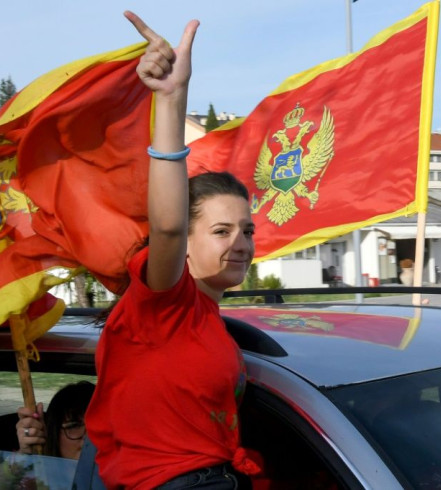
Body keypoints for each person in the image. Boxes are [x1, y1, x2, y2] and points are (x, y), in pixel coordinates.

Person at [84, 11, 261, 489]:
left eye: (247, 230)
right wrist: (170, 99)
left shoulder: (214, 323)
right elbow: (164, 226)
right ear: (185, 243)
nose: (241, 244)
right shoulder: (164, 301)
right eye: (222, 231)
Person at [16, 380, 95, 459]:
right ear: (54, 434)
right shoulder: (42, 469)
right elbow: (7, 470)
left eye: (101, 426)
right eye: (73, 426)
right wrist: (24, 456)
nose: (89, 438)